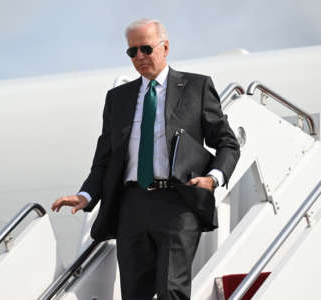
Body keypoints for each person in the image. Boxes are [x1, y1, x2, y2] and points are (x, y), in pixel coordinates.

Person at [52, 18, 240, 300]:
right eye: (132, 52)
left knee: (170, 289)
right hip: (132, 206)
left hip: (178, 202)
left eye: (146, 49)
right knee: (134, 294)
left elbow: (227, 143)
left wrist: (213, 178)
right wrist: (86, 194)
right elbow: (105, 158)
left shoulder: (196, 87)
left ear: (165, 48)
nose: (139, 57)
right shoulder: (118, 98)